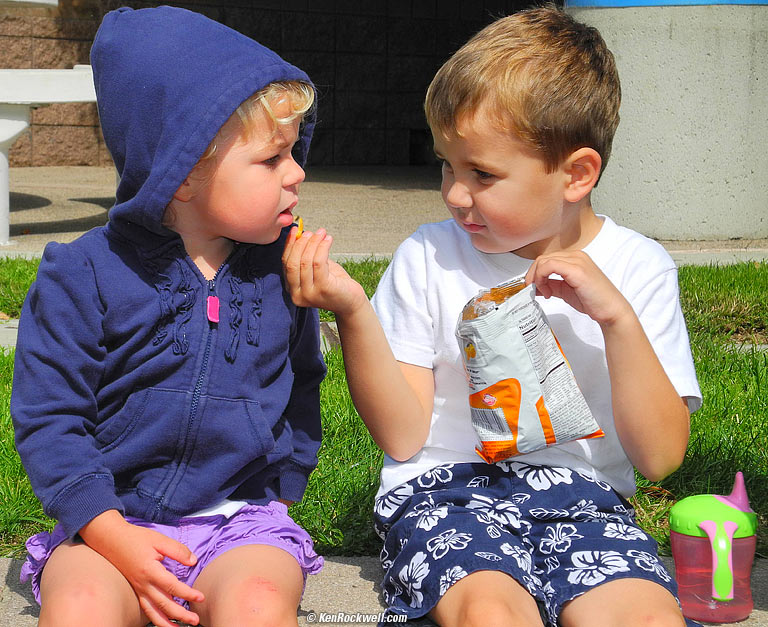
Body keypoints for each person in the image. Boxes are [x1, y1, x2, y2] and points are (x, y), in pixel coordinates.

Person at [283, 5, 702, 626]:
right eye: (447, 165)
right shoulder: (429, 256)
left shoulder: (638, 267)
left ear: (576, 175)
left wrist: (617, 320)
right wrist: (354, 312)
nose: (455, 194)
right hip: (444, 495)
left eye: (482, 174)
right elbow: (403, 436)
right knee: (489, 610)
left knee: (642, 616)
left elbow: (660, 457)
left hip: (586, 503)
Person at [11, 6, 325, 627]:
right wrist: (107, 530)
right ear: (180, 173)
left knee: (259, 602)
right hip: (109, 521)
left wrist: (284, 486)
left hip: (240, 522)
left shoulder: (280, 271)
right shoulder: (81, 274)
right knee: (80, 606)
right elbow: (49, 419)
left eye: (293, 152)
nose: (297, 172)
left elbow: (302, 382)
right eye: (272, 159)